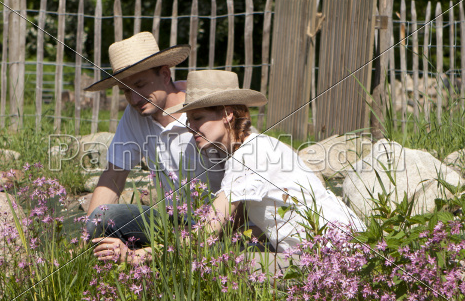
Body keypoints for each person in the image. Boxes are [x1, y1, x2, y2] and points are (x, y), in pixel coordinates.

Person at [93, 70, 363, 265]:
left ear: (227, 114)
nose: (190, 127)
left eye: (198, 118)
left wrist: (141, 256)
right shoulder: (243, 152)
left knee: (227, 266)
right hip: (313, 252)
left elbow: (207, 233)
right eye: (188, 119)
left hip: (333, 256)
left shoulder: (251, 155)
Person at [84, 32, 223, 251]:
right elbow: (114, 174)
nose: (135, 98)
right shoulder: (134, 114)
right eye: (126, 91)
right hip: (172, 222)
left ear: (165, 75)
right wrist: (88, 232)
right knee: (105, 215)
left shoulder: (202, 109)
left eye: (141, 85)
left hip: (220, 223)